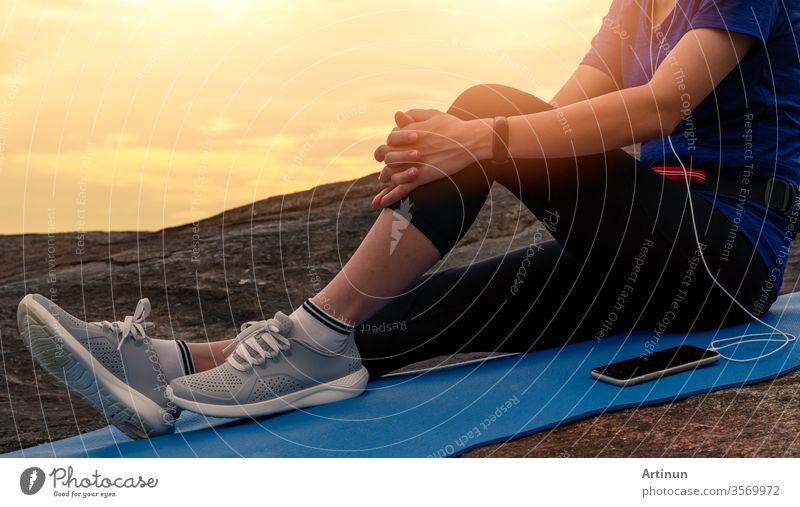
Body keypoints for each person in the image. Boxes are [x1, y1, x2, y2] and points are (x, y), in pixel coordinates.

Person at [17, 0, 800, 439]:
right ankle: (172, 369)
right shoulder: (634, 8)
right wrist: (450, 149)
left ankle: (317, 332)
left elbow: (665, 102)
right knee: (411, 312)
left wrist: (476, 136)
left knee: (486, 110)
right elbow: (564, 118)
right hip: (640, 253)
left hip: (720, 248)